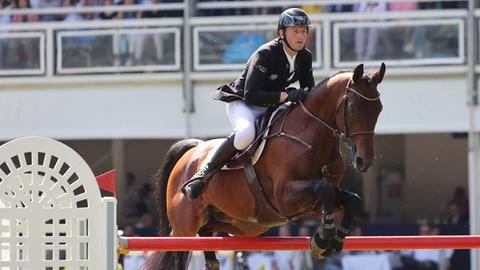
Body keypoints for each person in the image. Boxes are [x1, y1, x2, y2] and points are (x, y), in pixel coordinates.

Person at [182, 7, 315, 201]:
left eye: (304, 31)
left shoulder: (305, 56)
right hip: (244, 104)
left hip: (272, 106)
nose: (301, 36)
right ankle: (203, 174)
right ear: (281, 33)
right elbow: (251, 95)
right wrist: (285, 96)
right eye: (295, 31)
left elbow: (309, 89)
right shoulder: (266, 54)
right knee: (245, 135)